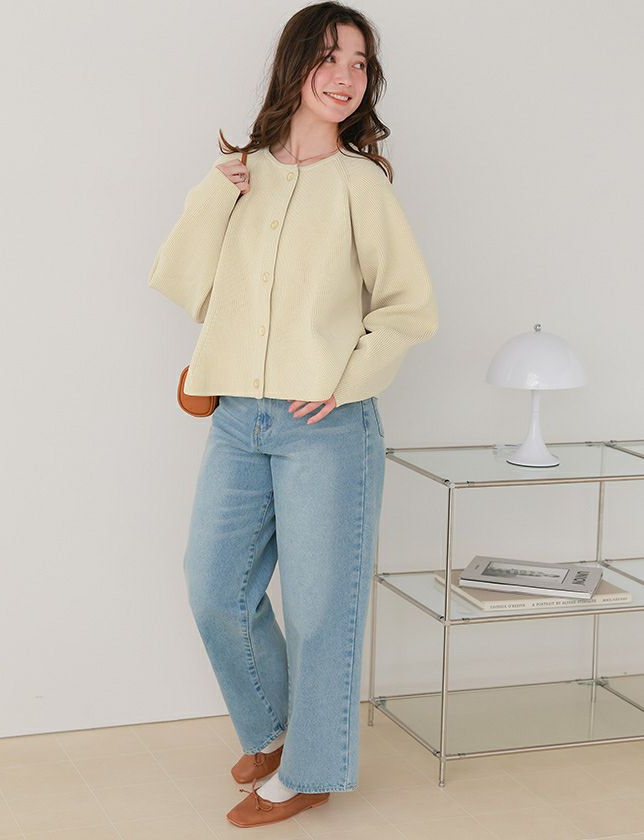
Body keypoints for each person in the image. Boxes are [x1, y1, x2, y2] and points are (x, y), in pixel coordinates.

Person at [148, 1, 439, 828]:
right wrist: (217, 192)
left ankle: (310, 769)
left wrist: (348, 378)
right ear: (295, 64)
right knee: (214, 588)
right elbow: (183, 283)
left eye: (360, 63)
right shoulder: (242, 174)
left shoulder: (359, 184)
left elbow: (409, 307)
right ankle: (277, 734)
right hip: (237, 419)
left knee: (318, 611)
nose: (346, 77)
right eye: (330, 57)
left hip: (327, 428)